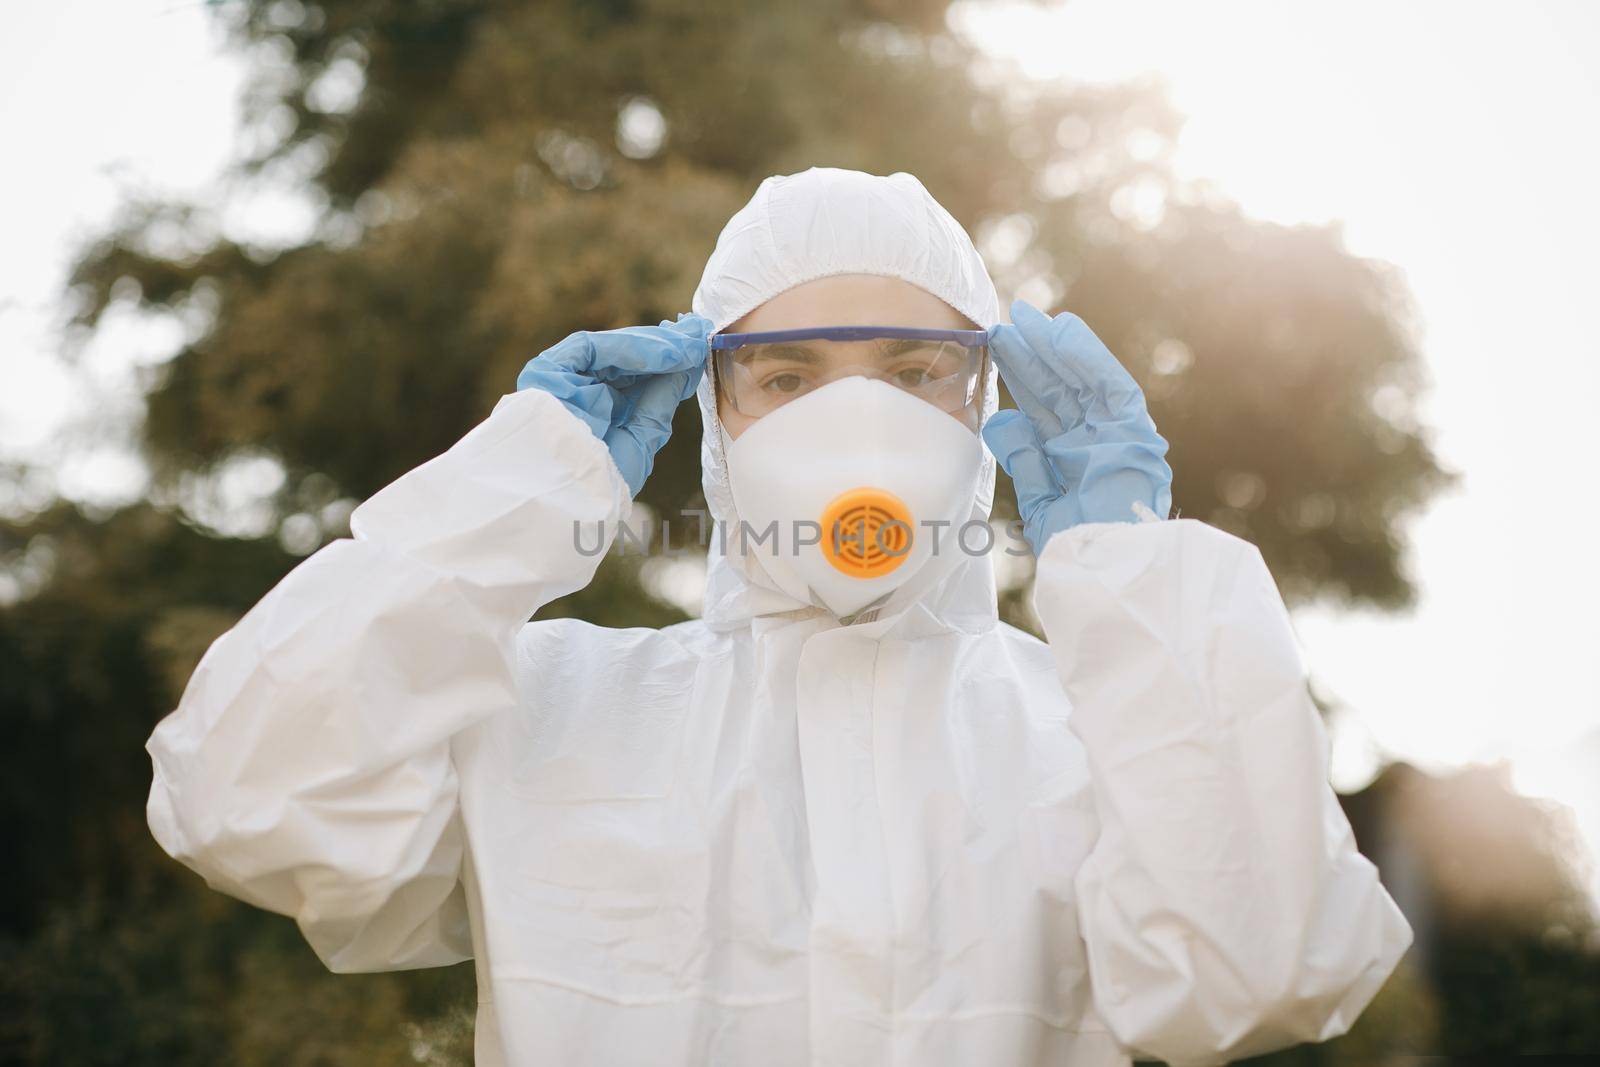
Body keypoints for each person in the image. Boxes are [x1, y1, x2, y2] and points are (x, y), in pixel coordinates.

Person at [144, 166, 1413, 1066]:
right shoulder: (552, 708)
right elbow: (248, 799)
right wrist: (521, 480)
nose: (852, 421)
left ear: (984, 405)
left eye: (916, 373)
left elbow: (1264, 969)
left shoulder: (1096, 731)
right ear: (714, 411)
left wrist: (1130, 567)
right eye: (786, 375)